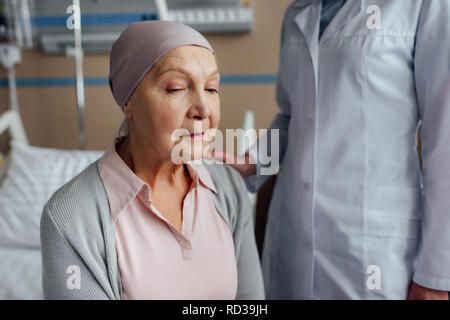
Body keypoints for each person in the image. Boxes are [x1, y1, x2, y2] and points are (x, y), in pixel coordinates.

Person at [212, 0, 450, 299]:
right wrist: (254, 162)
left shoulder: (423, 5)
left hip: (375, 249)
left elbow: (444, 138)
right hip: (293, 235)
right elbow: (292, 117)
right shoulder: (298, 12)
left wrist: (438, 277)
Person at [40, 21, 264, 300]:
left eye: (211, 88)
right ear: (128, 101)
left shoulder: (228, 187)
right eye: (176, 88)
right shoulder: (70, 217)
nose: (203, 109)